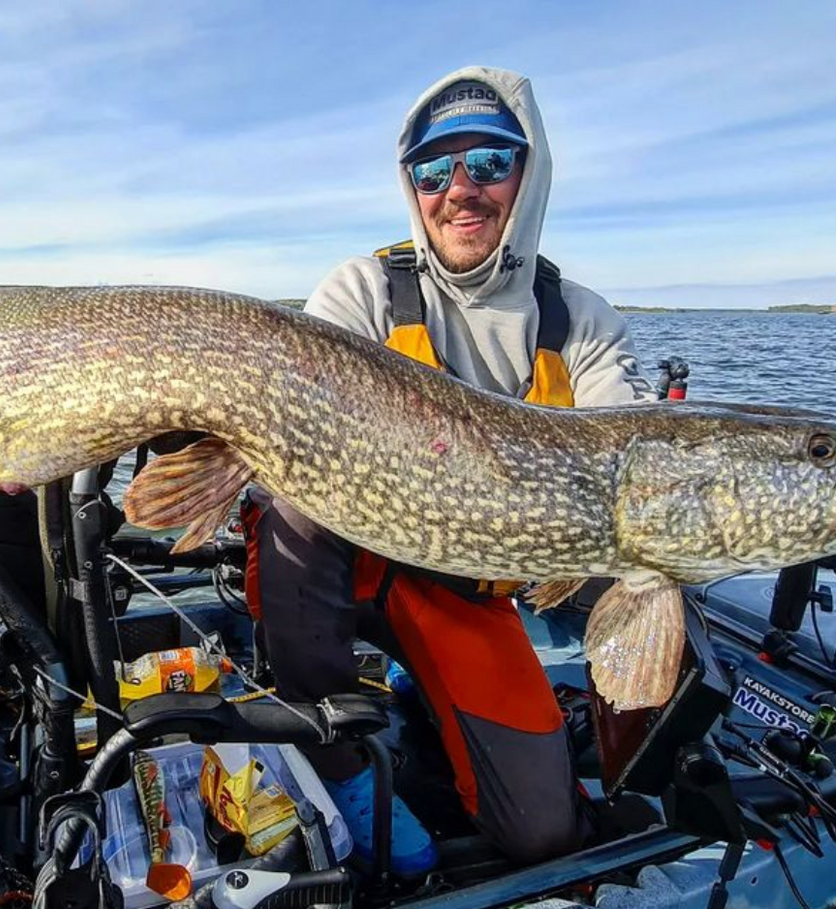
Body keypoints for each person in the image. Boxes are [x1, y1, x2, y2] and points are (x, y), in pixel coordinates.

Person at [243, 66, 653, 875]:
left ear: (529, 175)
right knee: (290, 502)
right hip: (347, 566)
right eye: (433, 171)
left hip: (466, 590)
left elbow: (636, 467)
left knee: (543, 833)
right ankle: (339, 763)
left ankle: (426, 692)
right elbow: (286, 413)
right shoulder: (361, 290)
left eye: (489, 163)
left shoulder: (584, 322)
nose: (460, 190)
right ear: (413, 187)